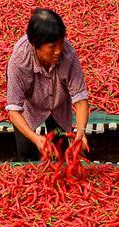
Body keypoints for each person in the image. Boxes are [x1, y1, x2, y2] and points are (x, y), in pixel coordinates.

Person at [6, 8, 90, 161]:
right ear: (35, 46)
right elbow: (13, 110)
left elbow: (80, 99)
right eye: (52, 47)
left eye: (60, 43)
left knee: (61, 150)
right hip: (30, 107)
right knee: (26, 152)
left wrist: (80, 132)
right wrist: (36, 138)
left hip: (58, 107)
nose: (58, 51)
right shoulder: (19, 60)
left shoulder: (68, 55)